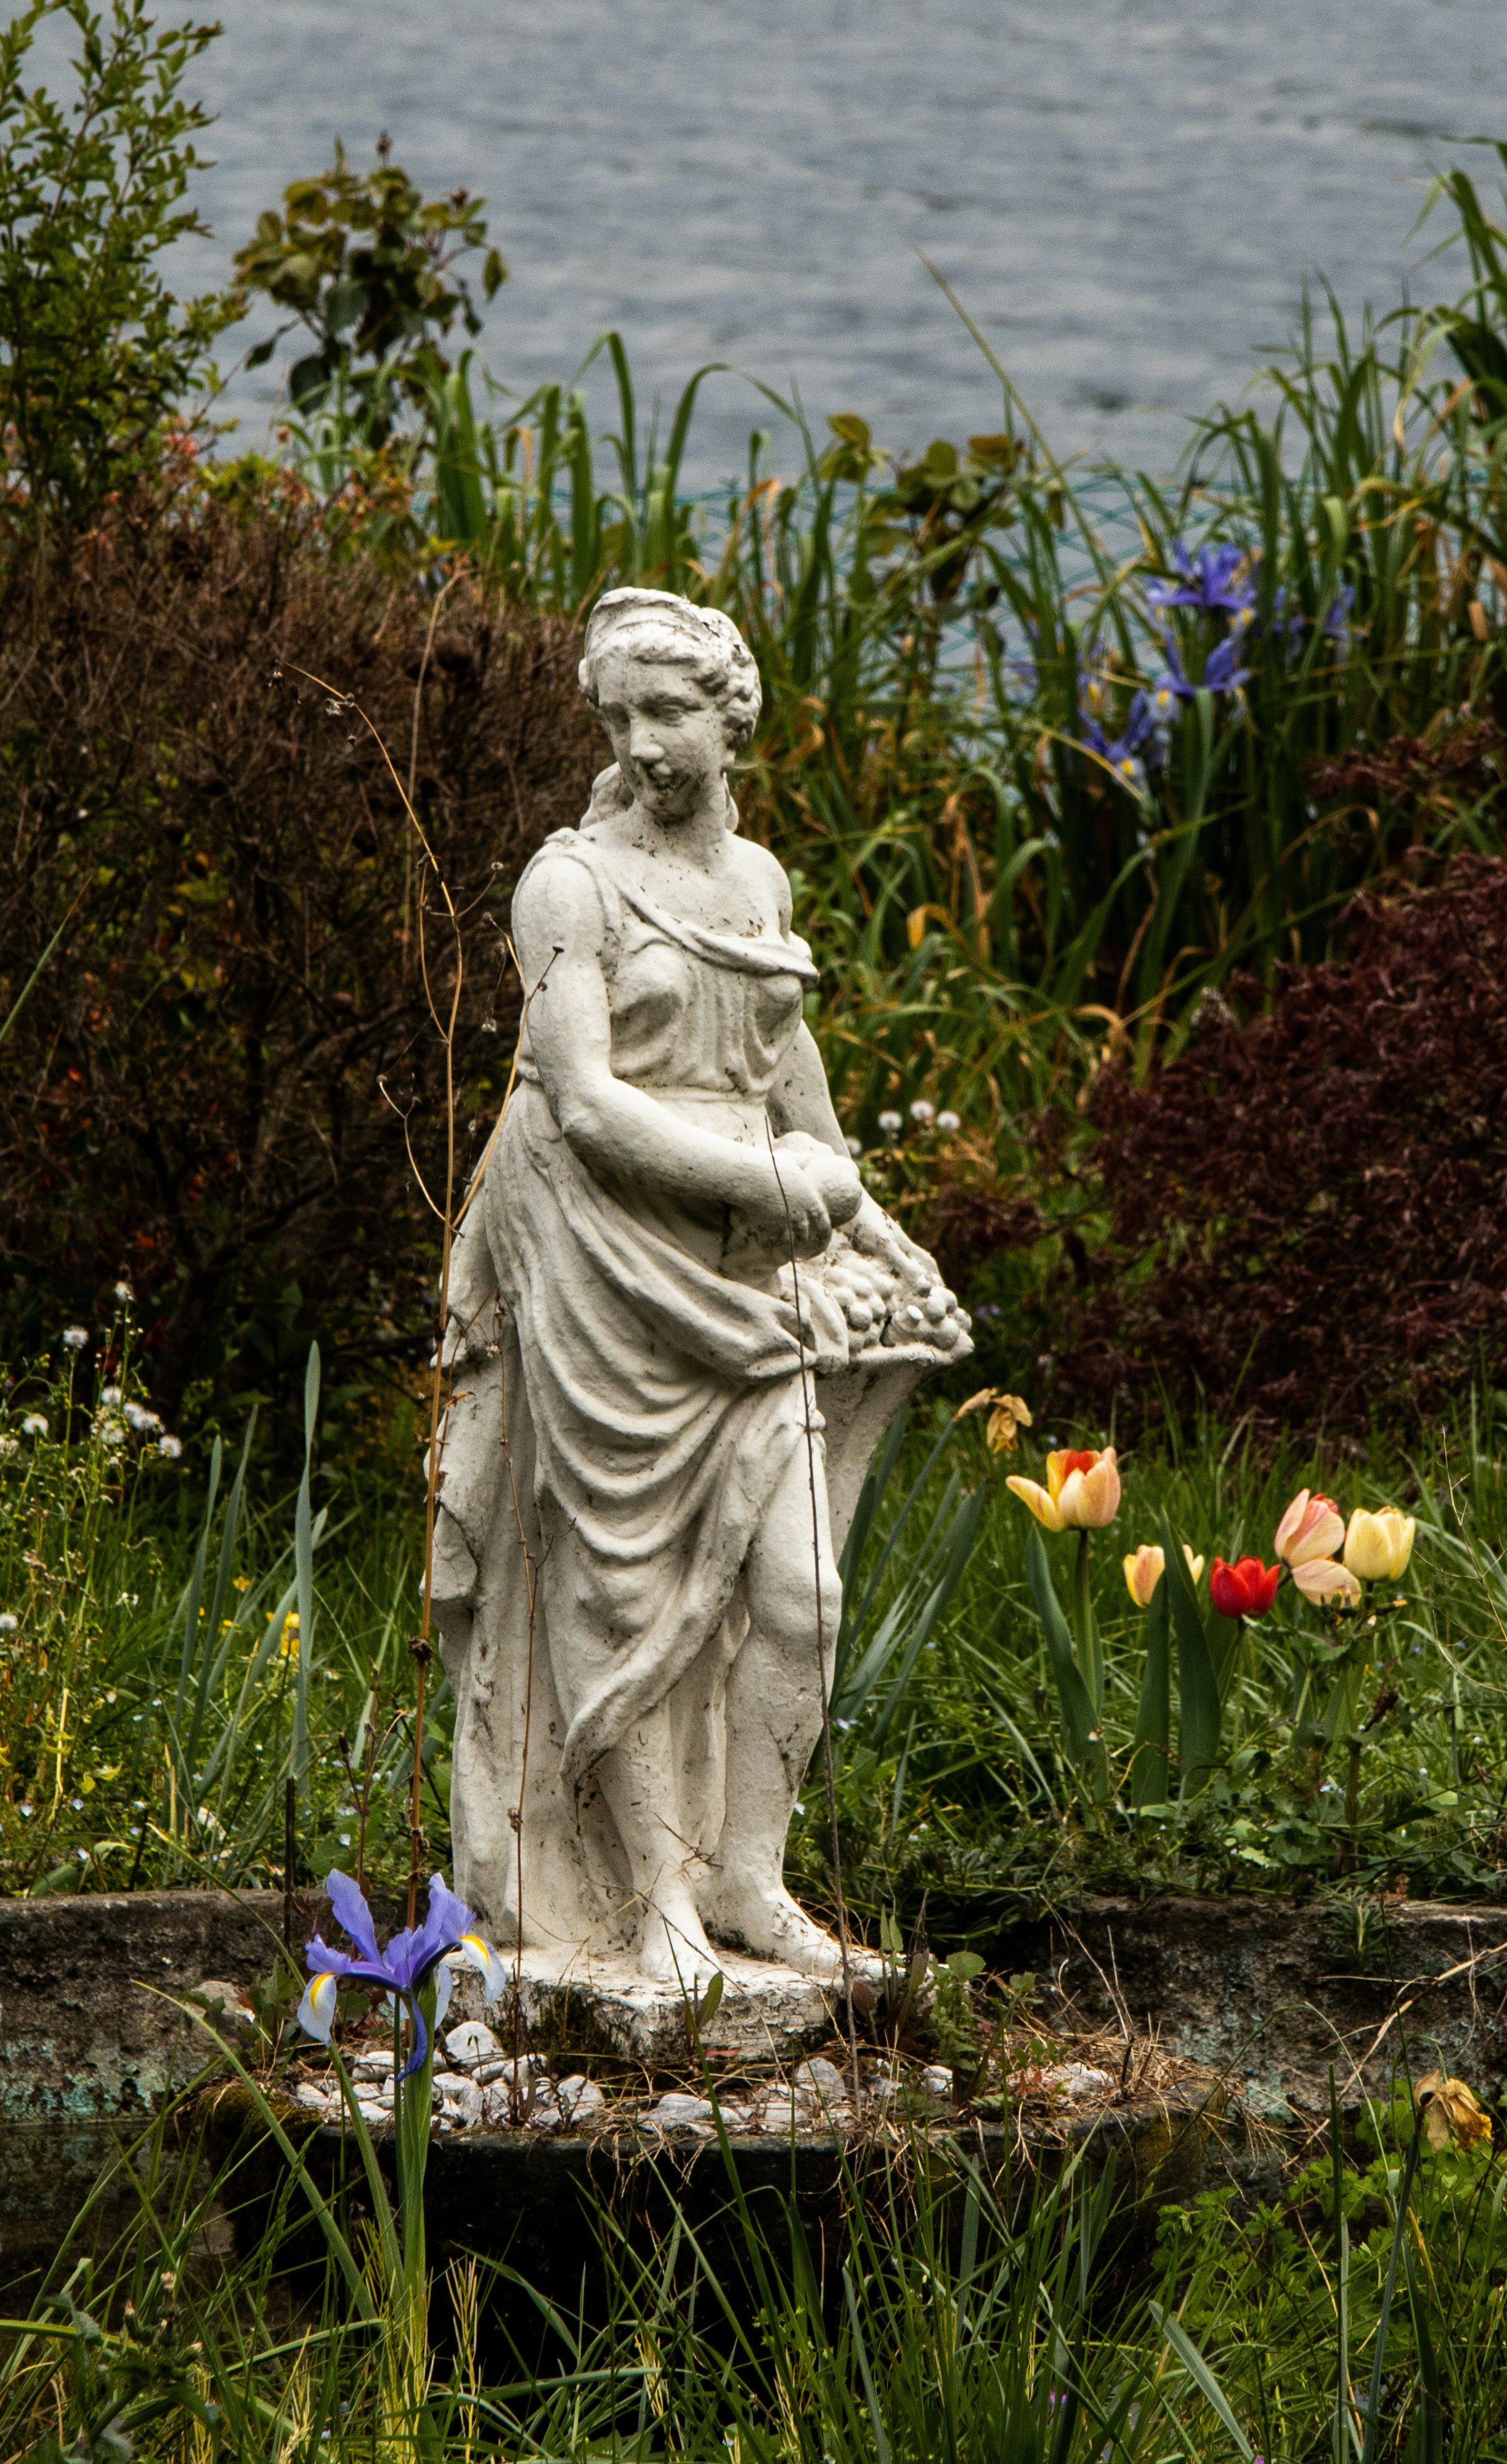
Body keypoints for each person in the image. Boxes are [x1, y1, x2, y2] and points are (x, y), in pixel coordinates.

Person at [427, 587, 968, 1988]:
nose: (642, 743)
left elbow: (788, 1072)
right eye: (618, 717)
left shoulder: (761, 883)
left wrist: (865, 1219)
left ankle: (753, 1883)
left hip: (746, 1267)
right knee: (624, 1593)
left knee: (800, 1595)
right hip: (605, 1254)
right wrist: (769, 1186)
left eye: (667, 712)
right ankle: (656, 1908)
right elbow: (583, 1098)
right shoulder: (568, 885)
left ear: (733, 719)